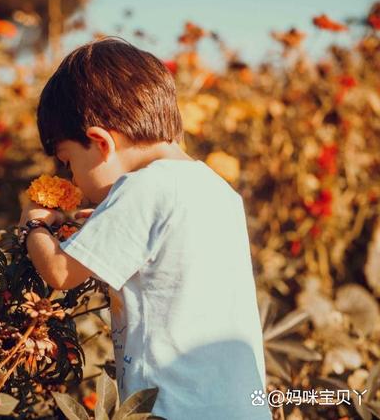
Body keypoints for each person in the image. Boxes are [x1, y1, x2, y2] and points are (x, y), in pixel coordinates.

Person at [18, 37, 272, 420]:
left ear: (100, 142)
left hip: (174, 407)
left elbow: (60, 273)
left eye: (68, 162)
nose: (72, 177)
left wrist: (33, 225)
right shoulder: (217, 189)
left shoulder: (141, 187)